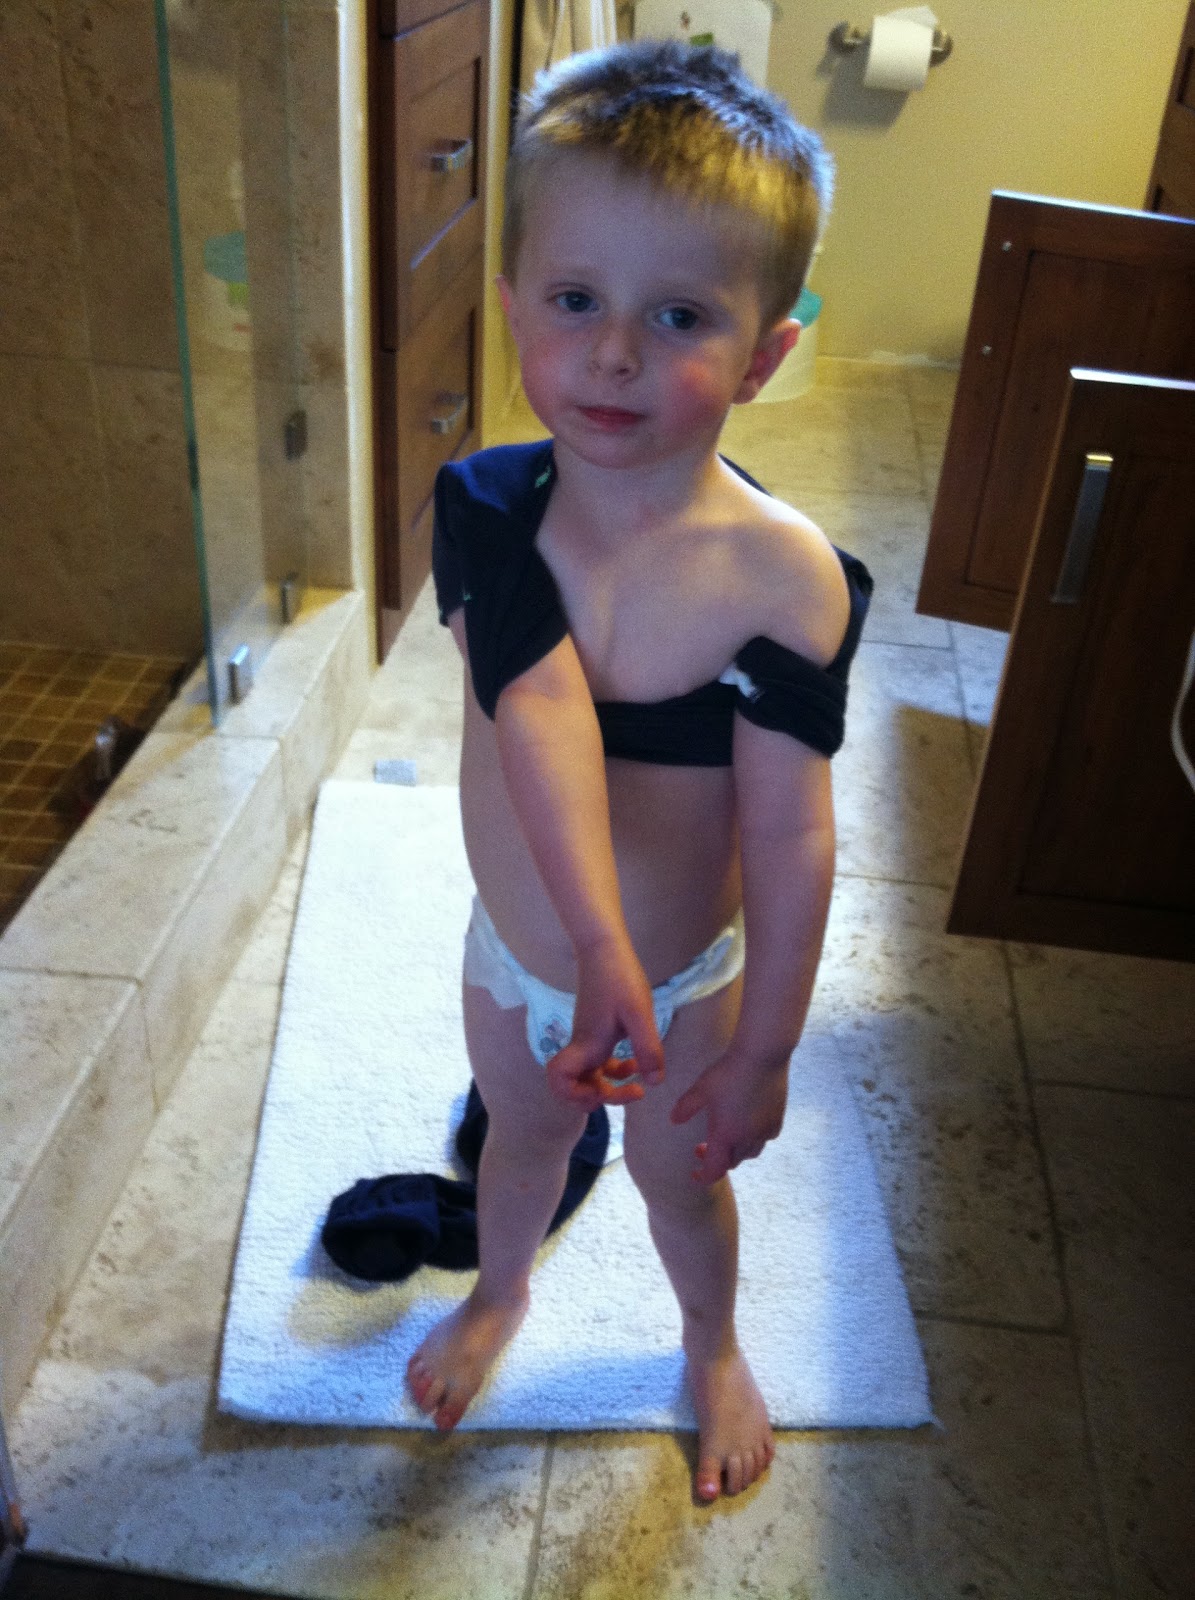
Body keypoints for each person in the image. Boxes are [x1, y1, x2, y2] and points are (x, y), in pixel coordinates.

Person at [406, 38, 872, 1503]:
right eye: (574, 302)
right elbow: (538, 710)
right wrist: (583, 953)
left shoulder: (782, 581)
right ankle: (501, 1293)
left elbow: (791, 838)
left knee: (683, 1180)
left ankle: (711, 1341)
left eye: (677, 315)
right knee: (520, 1141)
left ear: (766, 353)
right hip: (520, 957)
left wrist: (765, 1049)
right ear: (511, 311)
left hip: (682, 982)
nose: (613, 353)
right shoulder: (487, 509)